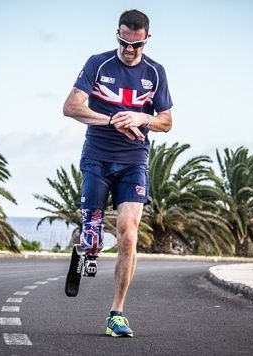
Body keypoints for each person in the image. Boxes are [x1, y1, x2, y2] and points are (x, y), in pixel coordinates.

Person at [62, 9, 173, 337]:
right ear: (117, 35)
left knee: (128, 232)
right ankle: (88, 244)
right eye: (123, 42)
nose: (129, 50)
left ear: (147, 40)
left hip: (133, 162)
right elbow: (70, 107)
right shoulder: (98, 64)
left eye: (136, 45)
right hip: (97, 157)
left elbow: (166, 121)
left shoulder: (155, 73)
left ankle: (117, 314)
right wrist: (111, 119)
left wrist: (141, 119)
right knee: (94, 234)